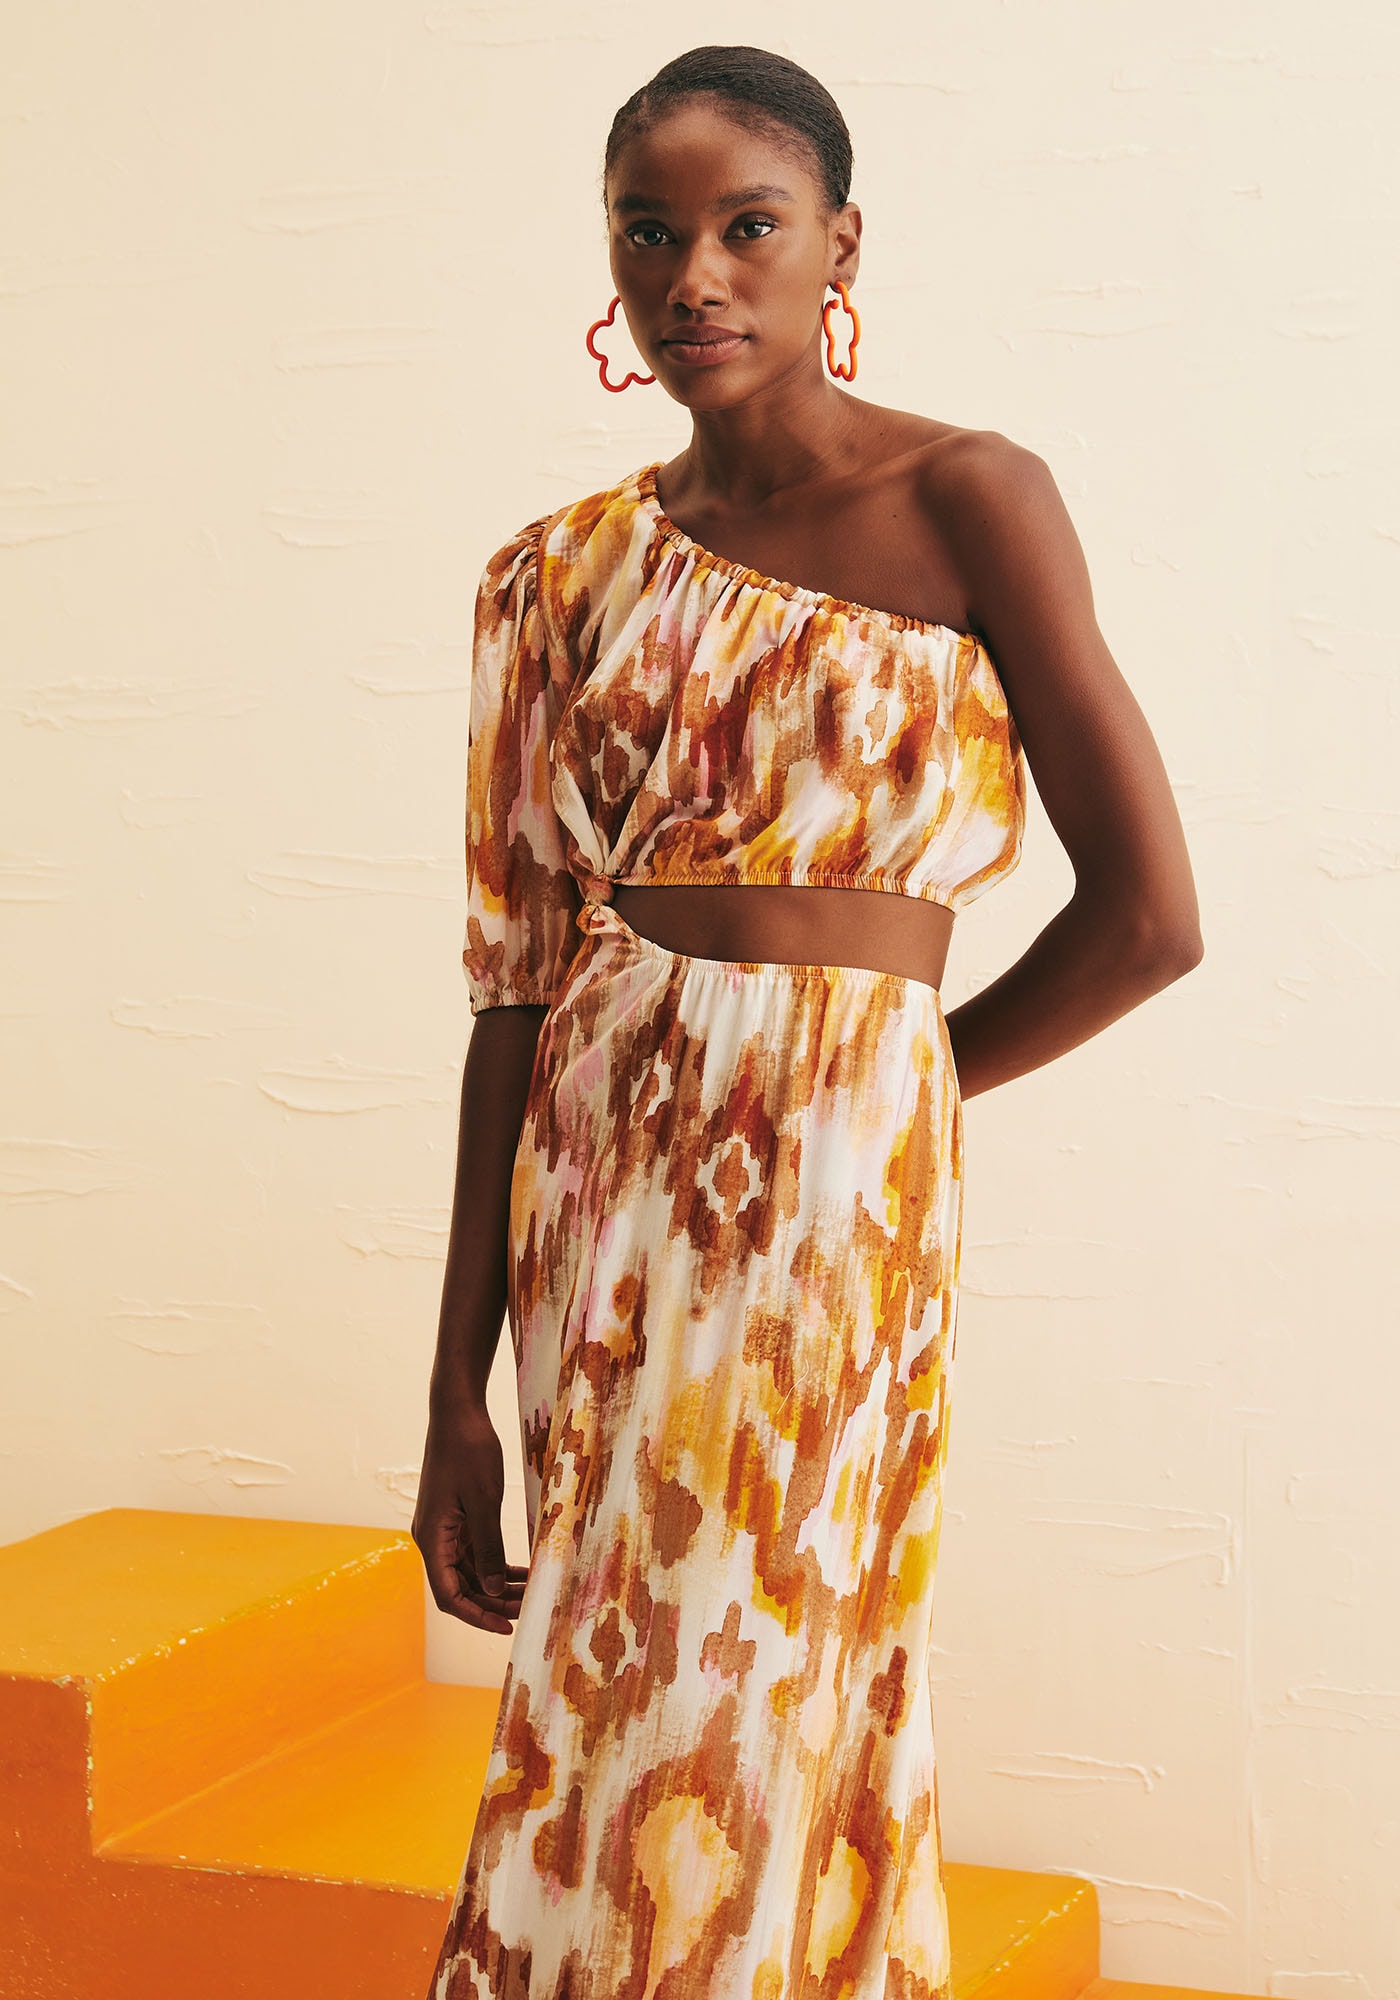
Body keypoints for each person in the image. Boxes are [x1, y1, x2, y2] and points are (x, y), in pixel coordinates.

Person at [413, 42, 1203, 2000]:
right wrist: (449, 1395)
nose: (694, 275)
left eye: (746, 226)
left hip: (842, 1189)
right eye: (648, 232)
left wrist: (885, 1087)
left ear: (839, 243)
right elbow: (515, 989)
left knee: (778, 1669)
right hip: (600, 1176)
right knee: (612, 1685)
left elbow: (1149, 919)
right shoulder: (551, 578)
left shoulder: (970, 498)